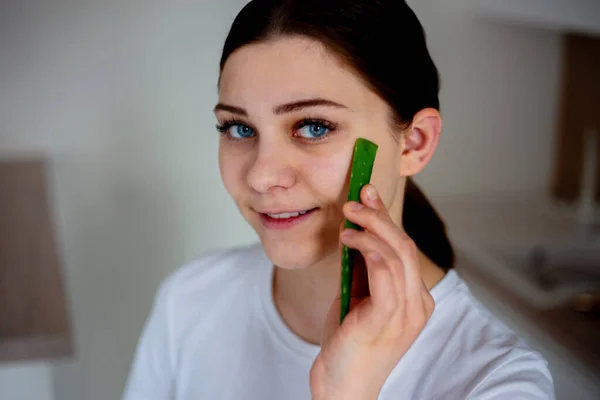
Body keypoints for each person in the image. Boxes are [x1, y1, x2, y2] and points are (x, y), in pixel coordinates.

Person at [123, 0, 555, 399]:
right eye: (239, 128)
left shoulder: (496, 382)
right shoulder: (189, 301)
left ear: (414, 144)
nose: (261, 175)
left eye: (313, 126)